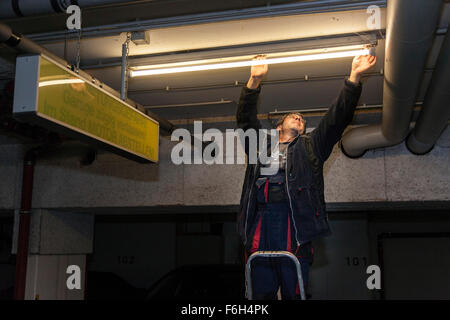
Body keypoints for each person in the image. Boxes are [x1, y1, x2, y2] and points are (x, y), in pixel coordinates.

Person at [236, 53, 377, 299]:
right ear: (278, 126)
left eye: (302, 120)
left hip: (294, 221)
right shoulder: (260, 146)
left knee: (295, 290)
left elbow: (337, 119)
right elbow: (246, 120)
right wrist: (254, 81)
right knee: (259, 292)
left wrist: (354, 77)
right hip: (260, 221)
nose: (300, 119)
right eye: (294, 116)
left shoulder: (311, 147)